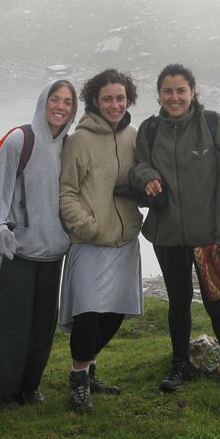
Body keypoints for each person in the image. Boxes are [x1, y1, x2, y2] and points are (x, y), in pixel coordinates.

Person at [129, 63, 220, 397]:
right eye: (168, 91)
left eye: (181, 90)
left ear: (193, 92)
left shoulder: (213, 126)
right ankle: (180, 364)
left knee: (217, 301)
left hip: (207, 235)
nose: (175, 97)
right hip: (166, 233)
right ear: (159, 94)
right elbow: (139, 166)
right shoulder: (150, 130)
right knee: (177, 301)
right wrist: (146, 176)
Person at [0, 79, 77, 411]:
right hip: (16, 249)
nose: (60, 106)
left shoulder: (68, 146)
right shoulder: (20, 140)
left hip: (52, 252)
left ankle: (28, 388)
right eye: (55, 99)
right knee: (8, 325)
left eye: (68, 102)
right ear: (43, 101)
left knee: (41, 326)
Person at [58, 69, 144, 413]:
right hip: (91, 241)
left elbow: (144, 174)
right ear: (95, 100)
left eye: (120, 98)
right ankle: (78, 380)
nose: (114, 104)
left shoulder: (134, 135)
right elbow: (66, 192)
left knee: (116, 312)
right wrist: (88, 226)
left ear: (129, 99)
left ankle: (90, 370)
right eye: (107, 98)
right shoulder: (80, 139)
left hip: (125, 241)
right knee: (88, 312)